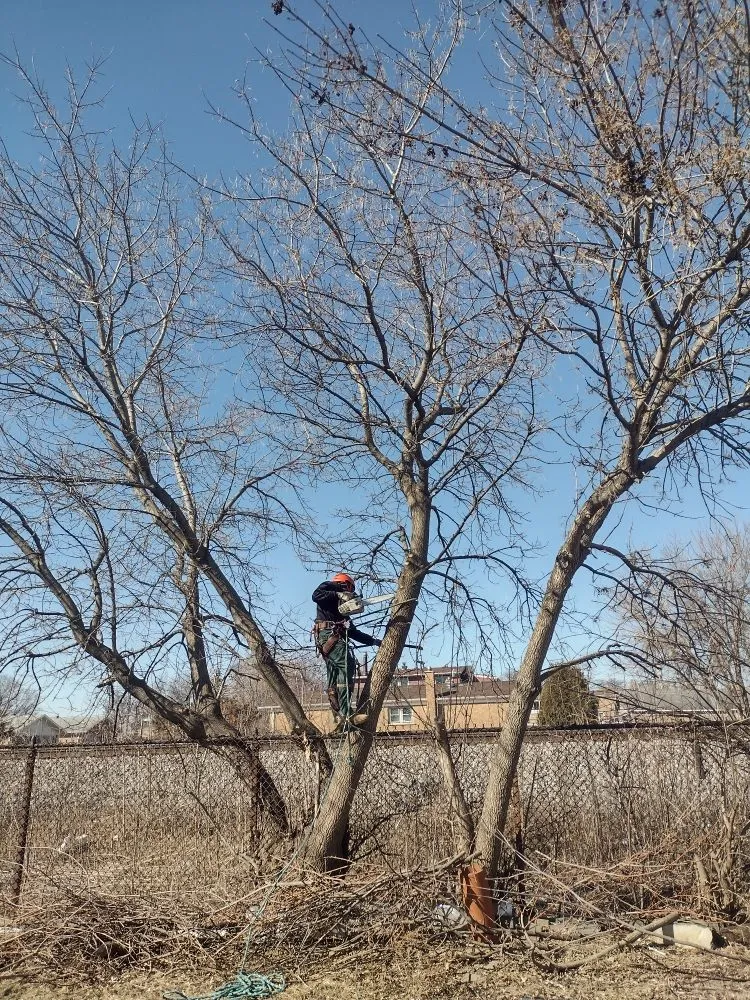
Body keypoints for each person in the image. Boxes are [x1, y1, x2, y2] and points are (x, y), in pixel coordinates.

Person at [312, 572, 380, 727]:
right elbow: (316, 595)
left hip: (331, 637)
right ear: (345, 585)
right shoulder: (329, 586)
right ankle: (347, 714)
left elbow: (354, 632)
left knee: (335, 673)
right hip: (328, 635)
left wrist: (373, 641)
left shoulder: (341, 613)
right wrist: (339, 594)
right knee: (346, 664)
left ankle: (338, 716)